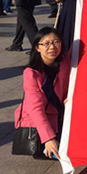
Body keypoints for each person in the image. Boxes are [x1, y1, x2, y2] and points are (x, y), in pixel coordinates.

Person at [14, 27, 70, 160]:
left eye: (56, 42)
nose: (52, 47)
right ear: (37, 47)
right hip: (37, 123)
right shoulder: (31, 74)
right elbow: (35, 109)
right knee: (57, 153)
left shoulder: (64, 62)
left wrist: (67, 96)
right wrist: (48, 138)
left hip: (58, 115)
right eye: (46, 43)